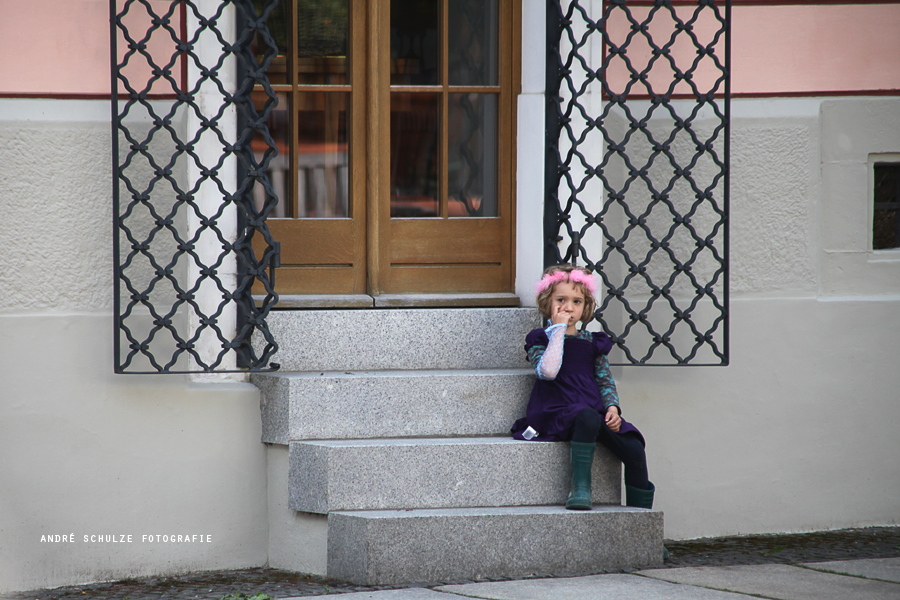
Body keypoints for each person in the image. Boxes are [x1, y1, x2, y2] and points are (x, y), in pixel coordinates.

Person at [511, 264, 657, 512]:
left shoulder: (592, 342)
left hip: (591, 414)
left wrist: (612, 407)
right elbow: (548, 371)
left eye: (576, 301)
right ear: (548, 303)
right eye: (561, 300)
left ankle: (643, 522)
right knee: (586, 415)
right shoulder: (540, 339)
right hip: (555, 411)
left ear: (585, 307)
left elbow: (604, 379)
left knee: (634, 447)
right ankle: (580, 488)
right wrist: (557, 329)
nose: (568, 307)